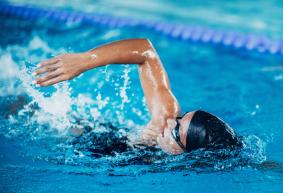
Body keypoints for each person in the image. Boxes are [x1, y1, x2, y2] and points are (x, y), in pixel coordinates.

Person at [33, 38, 242, 155]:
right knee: (32, 114)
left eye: (177, 130)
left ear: (186, 154)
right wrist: (86, 60)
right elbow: (145, 50)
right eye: (181, 117)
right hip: (83, 137)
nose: (171, 121)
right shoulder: (164, 121)